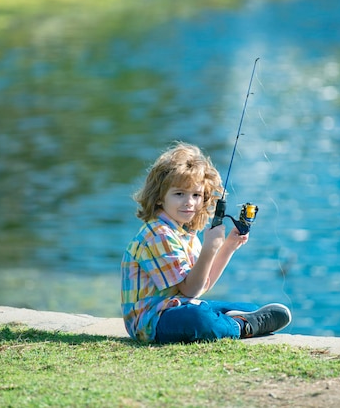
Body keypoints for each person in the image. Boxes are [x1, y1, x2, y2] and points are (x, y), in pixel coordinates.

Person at [121, 142, 291, 343]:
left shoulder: (185, 233)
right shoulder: (158, 234)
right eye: (179, 194)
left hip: (181, 305)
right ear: (159, 197)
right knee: (199, 319)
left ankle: (234, 322)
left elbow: (202, 285)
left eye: (196, 195)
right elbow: (190, 290)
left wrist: (228, 246)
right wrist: (210, 248)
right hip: (153, 322)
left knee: (251, 308)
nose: (189, 202)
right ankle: (240, 326)